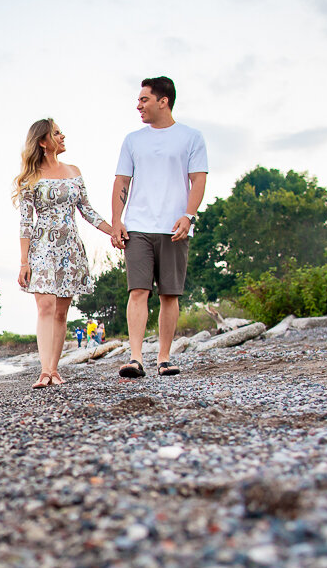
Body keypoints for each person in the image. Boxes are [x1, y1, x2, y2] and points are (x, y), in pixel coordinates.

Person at [109, 76, 208, 378]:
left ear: (163, 101)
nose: (138, 105)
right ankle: (136, 357)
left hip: (174, 226)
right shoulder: (133, 140)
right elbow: (122, 181)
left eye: (144, 99)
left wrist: (189, 215)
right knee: (137, 291)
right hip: (138, 227)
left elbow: (198, 179)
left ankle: (164, 358)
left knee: (169, 294)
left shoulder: (191, 137)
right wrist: (116, 222)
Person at [16, 118, 114, 389]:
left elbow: (88, 211)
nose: (63, 136)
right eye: (57, 133)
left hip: (70, 248)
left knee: (61, 312)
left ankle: (54, 370)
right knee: (45, 307)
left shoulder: (74, 171)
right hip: (42, 247)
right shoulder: (29, 179)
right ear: (43, 142)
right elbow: (25, 223)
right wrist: (24, 262)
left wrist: (115, 230)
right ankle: (44, 371)